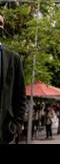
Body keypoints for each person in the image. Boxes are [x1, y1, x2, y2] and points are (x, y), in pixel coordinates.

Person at [0, 11, 26, 144]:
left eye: (1, 24)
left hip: (2, 133)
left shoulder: (13, 59)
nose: (0, 27)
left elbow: (21, 97)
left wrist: (15, 126)